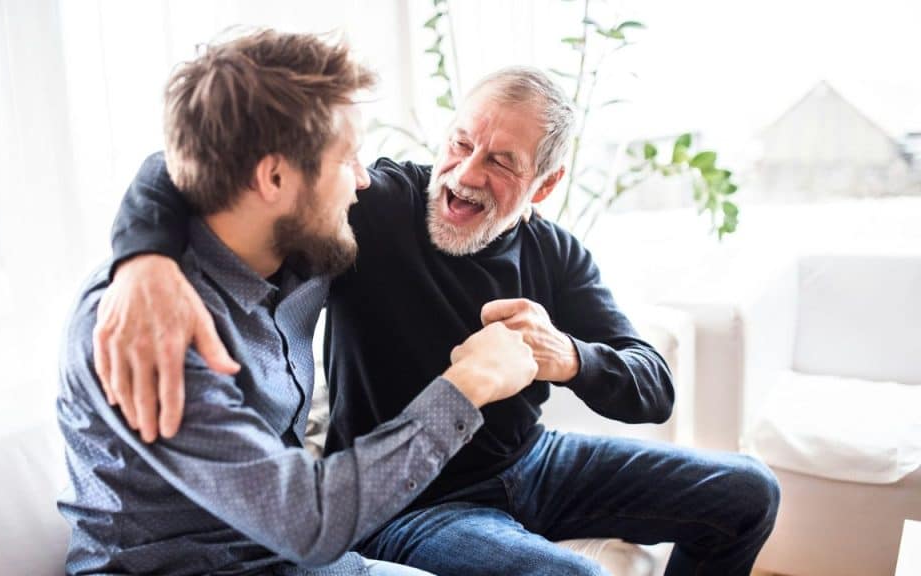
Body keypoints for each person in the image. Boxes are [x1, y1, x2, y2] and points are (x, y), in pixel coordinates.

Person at [98, 65, 781, 575]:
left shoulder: (555, 253)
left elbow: (653, 387)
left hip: (533, 463)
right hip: (411, 501)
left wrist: (565, 355)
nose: (466, 173)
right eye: (461, 143)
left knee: (750, 492)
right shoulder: (376, 204)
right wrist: (142, 260)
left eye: (501, 162)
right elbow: (185, 163)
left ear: (544, 186)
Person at [57, 29, 541, 576]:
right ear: (274, 176)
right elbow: (309, 522)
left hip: (284, 557)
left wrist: (142, 251)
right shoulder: (151, 326)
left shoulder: (299, 250)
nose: (363, 182)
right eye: (348, 159)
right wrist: (469, 384)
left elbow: (165, 165)